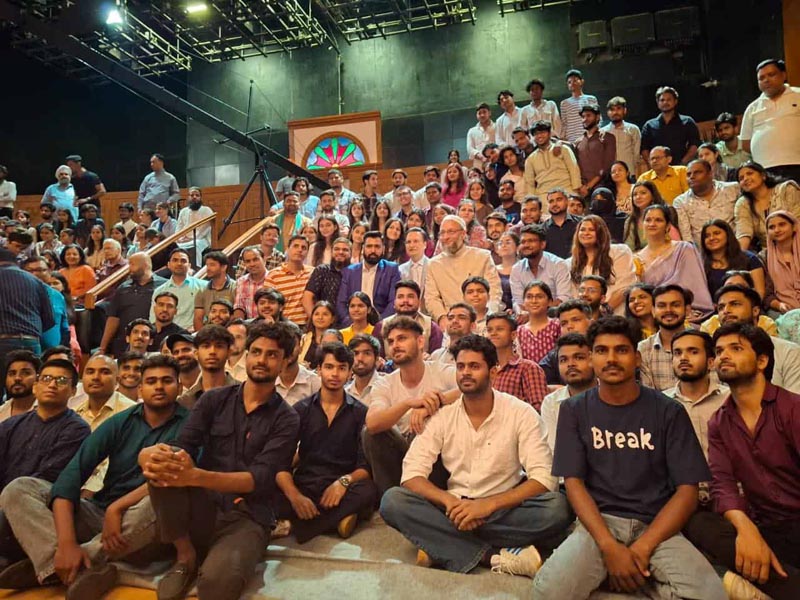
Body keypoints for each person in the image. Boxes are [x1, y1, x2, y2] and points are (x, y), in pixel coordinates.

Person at [532, 316, 726, 600]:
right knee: (548, 592)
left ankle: (628, 574)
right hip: (598, 524)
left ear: (636, 358)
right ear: (592, 359)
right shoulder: (573, 410)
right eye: (602, 351)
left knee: (712, 595)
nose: (611, 359)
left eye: (621, 350)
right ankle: (629, 574)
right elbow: (573, 484)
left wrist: (643, 548)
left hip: (658, 525)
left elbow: (688, 491)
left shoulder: (668, 411)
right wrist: (609, 547)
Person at [381, 334, 570, 577]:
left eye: (474, 366)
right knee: (393, 501)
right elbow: (411, 474)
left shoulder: (520, 413)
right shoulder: (443, 416)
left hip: (504, 508)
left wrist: (487, 506)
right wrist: (450, 502)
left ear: (493, 372)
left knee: (557, 508)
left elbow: (544, 478)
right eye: (461, 367)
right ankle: (492, 556)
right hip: (454, 509)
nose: (465, 373)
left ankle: (440, 543)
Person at [0, 354, 188, 598]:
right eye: (152, 381)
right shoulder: (121, 422)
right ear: (141, 388)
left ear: (179, 387)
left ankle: (71, 563)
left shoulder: (189, 424)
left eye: (167, 381)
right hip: (99, 514)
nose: (159, 387)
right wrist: (66, 544)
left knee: (161, 496)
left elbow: (170, 478)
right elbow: (71, 478)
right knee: (20, 488)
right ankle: (57, 560)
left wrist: (117, 508)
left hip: (146, 526)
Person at [138, 323, 300, 600]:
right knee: (164, 467)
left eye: (272, 355)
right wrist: (151, 455)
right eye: (256, 352)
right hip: (203, 503)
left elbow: (258, 479)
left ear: (285, 361)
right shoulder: (214, 399)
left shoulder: (287, 418)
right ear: (246, 355)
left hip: (249, 516)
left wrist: (195, 476)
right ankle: (185, 556)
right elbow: (184, 445)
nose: (261, 360)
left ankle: (210, 559)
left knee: (218, 585)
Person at [685, 322, 800, 599]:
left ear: (762, 361)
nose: (723, 356)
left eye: (735, 349)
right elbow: (722, 484)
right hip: (765, 527)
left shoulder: (793, 409)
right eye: (719, 351)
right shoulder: (719, 422)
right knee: (697, 523)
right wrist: (747, 530)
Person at [274, 342, 378, 542]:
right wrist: (296, 497)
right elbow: (281, 462)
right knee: (268, 485)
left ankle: (295, 525)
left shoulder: (360, 413)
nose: (335, 374)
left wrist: (343, 482)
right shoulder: (301, 410)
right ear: (319, 370)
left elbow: (365, 467)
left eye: (342, 368)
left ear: (350, 373)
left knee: (368, 491)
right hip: (306, 483)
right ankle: (337, 519)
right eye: (329, 367)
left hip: (342, 485)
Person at [363, 317, 457, 495]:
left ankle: (431, 496)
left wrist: (434, 404)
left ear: (420, 341)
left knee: (429, 426)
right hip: (400, 452)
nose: (395, 345)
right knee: (371, 434)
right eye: (391, 341)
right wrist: (408, 404)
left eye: (402, 338)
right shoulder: (385, 383)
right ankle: (390, 499)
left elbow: (471, 389)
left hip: (435, 456)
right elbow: (372, 423)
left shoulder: (440, 371)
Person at [662, 330, 729, 501]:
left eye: (693, 352)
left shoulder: (729, 400)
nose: (683, 358)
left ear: (711, 362)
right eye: (677, 353)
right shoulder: (661, 404)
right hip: (677, 498)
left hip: (728, 494)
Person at [713, 284, 800, 393]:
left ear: (755, 311)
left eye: (735, 304)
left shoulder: (789, 351)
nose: (725, 311)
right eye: (721, 307)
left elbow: (795, 400)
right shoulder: (714, 355)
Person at [74, 354, 137, 494]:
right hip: (73, 486)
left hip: (111, 490)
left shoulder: (131, 413)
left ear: (117, 381)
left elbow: (120, 461)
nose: (96, 377)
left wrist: (90, 490)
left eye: (104, 372)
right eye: (90, 372)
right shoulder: (74, 412)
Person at [635, 205, 713, 316]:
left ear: (668, 226)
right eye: (648, 220)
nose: (652, 224)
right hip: (653, 314)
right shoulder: (637, 258)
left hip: (686, 311)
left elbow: (696, 286)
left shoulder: (684, 249)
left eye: (658, 220)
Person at [425, 215, 502, 328]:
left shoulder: (483, 257)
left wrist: (488, 318)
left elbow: (494, 291)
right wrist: (442, 318)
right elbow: (431, 298)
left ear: (463, 234)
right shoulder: (433, 264)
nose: (446, 237)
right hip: (451, 324)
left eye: (451, 232)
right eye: (442, 233)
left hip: (481, 322)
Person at [739, 58, 800, 182]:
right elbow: (746, 143)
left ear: (783, 75)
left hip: (796, 163)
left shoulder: (798, 95)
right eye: (761, 78)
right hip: (765, 170)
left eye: (771, 75)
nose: (766, 80)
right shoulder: (752, 107)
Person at [98, 253, 166, 356]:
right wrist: (103, 348)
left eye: (132, 264)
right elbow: (113, 318)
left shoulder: (163, 286)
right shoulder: (123, 288)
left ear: (146, 265)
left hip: (153, 342)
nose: (129, 268)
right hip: (124, 344)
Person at [566, 215, 637, 315]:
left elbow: (625, 287)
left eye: (591, 230)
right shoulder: (569, 263)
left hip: (617, 315)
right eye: (582, 230)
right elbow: (574, 295)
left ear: (601, 233)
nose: (586, 233)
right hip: (585, 317)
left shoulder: (620, 252)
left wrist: (602, 313)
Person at [540, 333, 596, 452]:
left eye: (579, 357)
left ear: (593, 359)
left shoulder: (611, 394)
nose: (570, 364)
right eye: (563, 360)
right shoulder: (551, 403)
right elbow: (555, 450)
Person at [485, 312, 548, 410]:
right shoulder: (484, 370)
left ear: (513, 334)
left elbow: (539, 408)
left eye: (499, 329)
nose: (493, 333)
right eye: (489, 330)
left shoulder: (528, 368)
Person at [336, 231, 401, 326]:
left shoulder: (391, 269)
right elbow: (341, 303)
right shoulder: (349, 271)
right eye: (369, 246)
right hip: (354, 324)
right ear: (363, 249)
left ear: (383, 249)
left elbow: (393, 302)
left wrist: (379, 325)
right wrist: (353, 325)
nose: (373, 250)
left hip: (381, 324)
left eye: (377, 247)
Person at [734, 161, 800, 251]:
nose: (745, 179)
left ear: (763, 176)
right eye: (741, 178)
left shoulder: (786, 190)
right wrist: (738, 256)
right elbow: (743, 233)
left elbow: (797, 221)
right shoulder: (743, 204)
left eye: (750, 173)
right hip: (769, 251)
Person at [673, 159, 739, 247]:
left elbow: (742, 223)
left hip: (735, 247)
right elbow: (687, 238)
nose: (692, 177)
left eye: (697, 172)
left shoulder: (733, 189)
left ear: (710, 174)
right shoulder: (681, 202)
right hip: (703, 252)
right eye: (688, 174)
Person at [638, 284, 691, 391]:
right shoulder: (643, 349)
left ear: (687, 309)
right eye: (662, 306)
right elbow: (649, 394)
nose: (668, 310)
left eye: (675, 305)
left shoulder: (703, 344)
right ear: (653, 311)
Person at [372, 280, 443, 356]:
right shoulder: (381, 327)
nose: (405, 300)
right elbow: (376, 357)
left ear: (419, 302)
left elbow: (437, 358)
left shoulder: (432, 327)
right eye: (400, 297)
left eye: (410, 296)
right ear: (394, 303)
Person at [700, 219, 766, 301]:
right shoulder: (699, 264)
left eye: (717, 233)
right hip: (713, 308)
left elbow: (759, 293)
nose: (712, 238)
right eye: (707, 236)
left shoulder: (750, 259)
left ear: (728, 235)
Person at [176, 325, 237, 410]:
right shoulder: (185, 401)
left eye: (219, 346)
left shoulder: (244, 393)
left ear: (229, 353)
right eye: (206, 346)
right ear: (196, 354)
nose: (212, 351)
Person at [640, 86, 700, 166]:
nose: (665, 102)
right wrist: (653, 165)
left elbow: (694, 145)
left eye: (669, 100)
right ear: (658, 103)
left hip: (682, 167)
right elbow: (644, 149)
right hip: (658, 169)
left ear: (675, 101)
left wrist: (683, 163)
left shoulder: (687, 121)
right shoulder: (649, 125)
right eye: (662, 100)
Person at [524, 121, 581, 202]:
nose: (539, 136)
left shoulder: (564, 149)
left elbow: (574, 170)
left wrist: (575, 193)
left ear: (549, 133)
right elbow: (530, 184)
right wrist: (533, 202)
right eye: (536, 134)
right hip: (544, 196)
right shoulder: (530, 159)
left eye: (542, 132)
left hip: (566, 191)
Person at [149, 248, 204, 331]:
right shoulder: (159, 291)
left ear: (189, 266)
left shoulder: (203, 287)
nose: (179, 263)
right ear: (168, 265)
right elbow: (153, 319)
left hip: (193, 333)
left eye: (183, 261)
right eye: (175, 260)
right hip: (166, 334)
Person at [265, 235, 313, 327]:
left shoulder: (313, 272)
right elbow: (267, 303)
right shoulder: (273, 275)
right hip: (283, 326)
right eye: (295, 246)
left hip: (308, 326)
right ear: (287, 249)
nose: (300, 250)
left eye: (304, 248)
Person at [623, 181, 680, 251]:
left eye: (643, 193)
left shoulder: (664, 215)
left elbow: (677, 246)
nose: (638, 197)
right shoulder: (631, 221)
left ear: (653, 196)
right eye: (634, 194)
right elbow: (629, 249)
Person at [763, 210, 800, 315]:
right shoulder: (764, 257)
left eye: (782, 224)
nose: (777, 230)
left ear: (794, 227)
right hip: (783, 311)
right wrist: (779, 305)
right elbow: (766, 293)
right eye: (771, 227)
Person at [574, 105, 616, 198]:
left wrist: (589, 186)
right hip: (582, 190)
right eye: (583, 117)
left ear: (597, 117)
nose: (585, 119)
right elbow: (575, 167)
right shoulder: (578, 142)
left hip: (603, 187)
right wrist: (581, 187)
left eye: (588, 115)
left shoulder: (607, 138)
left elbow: (607, 166)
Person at [518, 281, 561, 363]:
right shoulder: (519, 331)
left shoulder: (557, 325)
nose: (534, 301)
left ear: (549, 301)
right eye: (529, 297)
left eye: (539, 297)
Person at [192, 251, 236, 331]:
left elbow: (236, 316)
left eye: (212, 265)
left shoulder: (235, 287)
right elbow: (198, 318)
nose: (208, 269)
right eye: (207, 265)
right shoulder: (202, 290)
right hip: (208, 331)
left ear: (223, 267)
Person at [601, 97, 641, 178]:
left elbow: (636, 155)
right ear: (608, 113)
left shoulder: (633, 129)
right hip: (610, 175)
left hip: (629, 174)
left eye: (618, 108)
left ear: (624, 110)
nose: (615, 112)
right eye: (612, 109)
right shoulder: (602, 132)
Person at [175, 186, 214, 267]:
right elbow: (179, 227)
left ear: (200, 197)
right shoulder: (183, 211)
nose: (194, 197)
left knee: (195, 246)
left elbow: (206, 228)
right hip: (184, 239)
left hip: (202, 239)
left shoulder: (206, 210)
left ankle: (196, 268)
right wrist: (179, 238)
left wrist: (192, 238)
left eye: (197, 195)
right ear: (188, 197)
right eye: (192, 195)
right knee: (174, 246)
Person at [0, 350, 40, 422]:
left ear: (38, 377)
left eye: (26, 373)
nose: (17, 378)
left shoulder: (48, 410)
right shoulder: (1, 412)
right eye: (12, 374)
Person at [560, 69, 598, 143]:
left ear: (582, 81)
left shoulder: (591, 99)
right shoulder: (564, 103)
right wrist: (562, 140)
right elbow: (564, 124)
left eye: (575, 80)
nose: (572, 83)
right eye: (569, 82)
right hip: (571, 141)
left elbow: (598, 119)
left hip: (589, 139)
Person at [542, 188, 581, 259]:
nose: (555, 204)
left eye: (559, 200)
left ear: (567, 201)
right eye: (551, 201)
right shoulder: (542, 229)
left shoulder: (581, 223)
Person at [345, 334, 383, 403]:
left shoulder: (388, 387)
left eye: (367, 353)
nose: (360, 358)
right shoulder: (345, 393)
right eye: (355, 353)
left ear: (377, 358)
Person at [233, 246, 268, 320]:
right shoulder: (241, 282)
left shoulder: (274, 278)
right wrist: (239, 323)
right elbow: (239, 307)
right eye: (248, 261)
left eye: (255, 259)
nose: (252, 264)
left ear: (264, 259)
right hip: (249, 324)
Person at [299, 301, 336, 368]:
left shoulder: (336, 339)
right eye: (316, 314)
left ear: (332, 319)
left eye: (325, 314)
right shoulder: (304, 339)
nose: (320, 317)